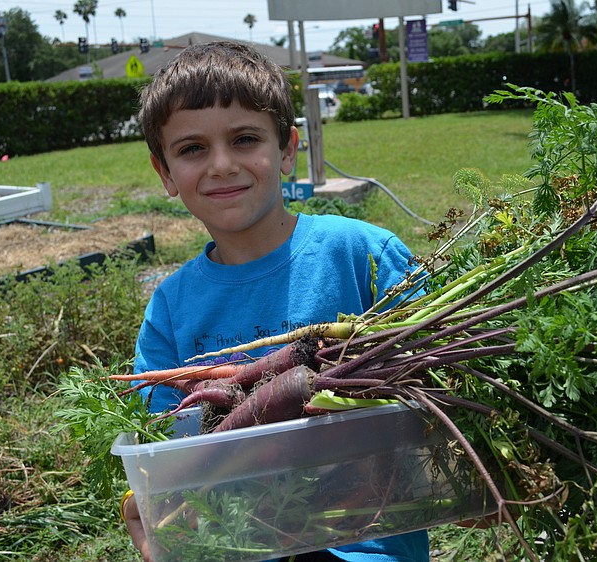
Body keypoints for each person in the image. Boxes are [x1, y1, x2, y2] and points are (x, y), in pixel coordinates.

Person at [121, 41, 429, 562]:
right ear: (165, 173)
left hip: (371, 541)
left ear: (287, 150)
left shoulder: (362, 256)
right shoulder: (170, 308)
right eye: (192, 149)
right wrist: (153, 511)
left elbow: (437, 394)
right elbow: (166, 453)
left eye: (244, 139)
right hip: (237, 543)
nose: (221, 165)